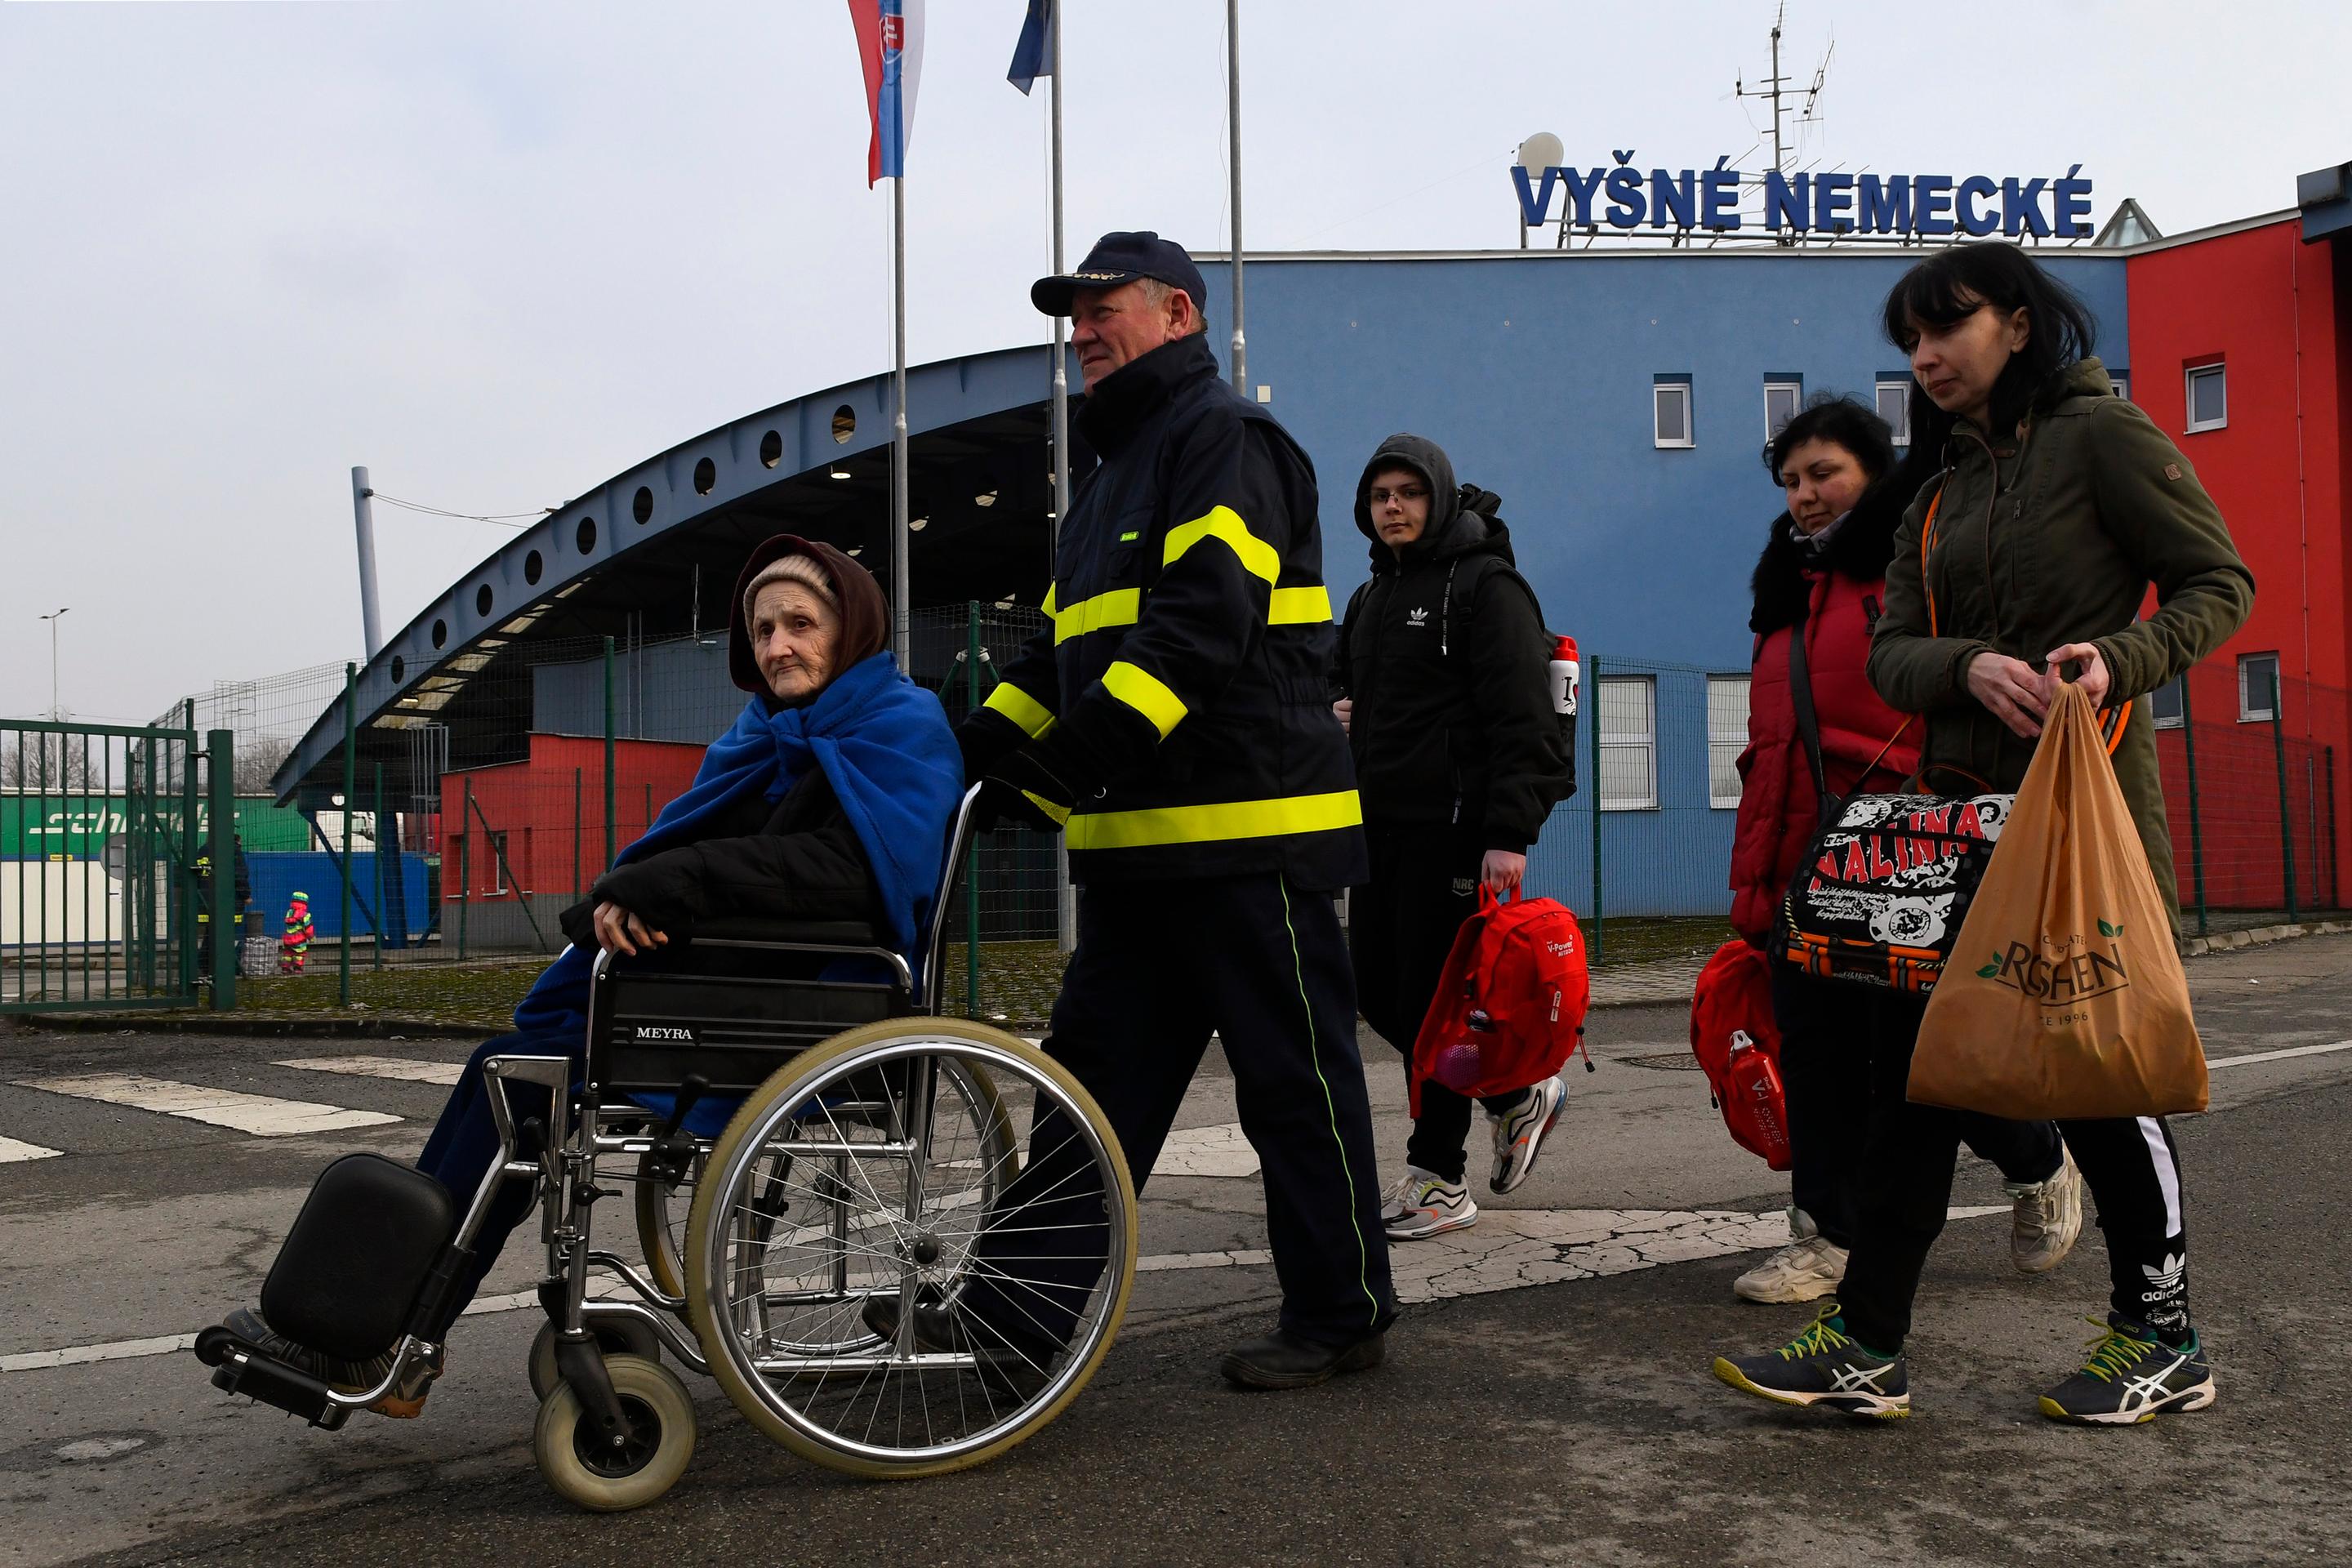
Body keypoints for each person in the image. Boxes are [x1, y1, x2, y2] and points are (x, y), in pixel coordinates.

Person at [222, 536, 963, 1416]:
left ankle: (394, 1340)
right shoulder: (766, 735)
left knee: (525, 1085)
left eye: (801, 624)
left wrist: (674, 887)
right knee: (506, 1068)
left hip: (815, 1001)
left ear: (853, 631)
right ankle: (385, 1332)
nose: (777, 647)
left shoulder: (900, 725)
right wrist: (619, 900)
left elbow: (848, 875)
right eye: (762, 630)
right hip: (732, 984)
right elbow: (699, 851)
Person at [1715, 242, 2253, 1424]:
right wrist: (1971, 666)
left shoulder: (2104, 437)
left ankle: (2164, 1336)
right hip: (1954, 832)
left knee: (2100, 1075)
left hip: (2085, 813)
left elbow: (2221, 583)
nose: (1924, 357)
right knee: (1918, 1074)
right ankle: (1867, 1343)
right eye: (1909, 339)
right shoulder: (1938, 486)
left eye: (1944, 328)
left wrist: (2122, 658)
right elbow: (1897, 651)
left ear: (2016, 321)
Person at [942, 231, 1396, 1391]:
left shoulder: (1227, 443)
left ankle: (1341, 1316)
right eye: (1073, 314)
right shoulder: (1104, 486)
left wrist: (1051, 773)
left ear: (1180, 316)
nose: (1083, 330)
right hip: (1137, 859)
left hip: (1253, 849)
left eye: (1106, 308)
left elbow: (1197, 632)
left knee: (1294, 1092)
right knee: (1086, 1104)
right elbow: (1056, 657)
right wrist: (965, 758)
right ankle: (1012, 1323)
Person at [1724, 395, 2082, 1306]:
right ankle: (1825, 1239)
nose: (1806, 495)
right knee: (1816, 1057)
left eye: (1825, 473)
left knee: (1925, 1057)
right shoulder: (1782, 586)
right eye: (1792, 480)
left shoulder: (1913, 561)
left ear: (1872, 471)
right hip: (1807, 849)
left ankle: (2040, 1159)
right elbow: (1771, 737)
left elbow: (1944, 695)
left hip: (1904, 847)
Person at [1330, 434, 1575, 1240]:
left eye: (1408, 493)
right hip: (1380, 832)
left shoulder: (1486, 588)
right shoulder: (1369, 600)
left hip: (1458, 835)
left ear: (1436, 498)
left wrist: (1509, 832)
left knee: (1437, 1005)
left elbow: (1524, 717)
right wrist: (1335, 712)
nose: (1393, 508)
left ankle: (1437, 1179)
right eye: (1380, 497)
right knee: (1381, 993)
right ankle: (1513, 1095)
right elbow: (1340, 687)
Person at [278, 889, 314, 976]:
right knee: (299, 953)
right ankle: (297, 968)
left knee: (287, 953)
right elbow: (308, 928)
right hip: (299, 938)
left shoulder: (289, 912)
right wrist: (311, 937)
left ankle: (285, 969)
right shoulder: (305, 915)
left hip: (287, 938)